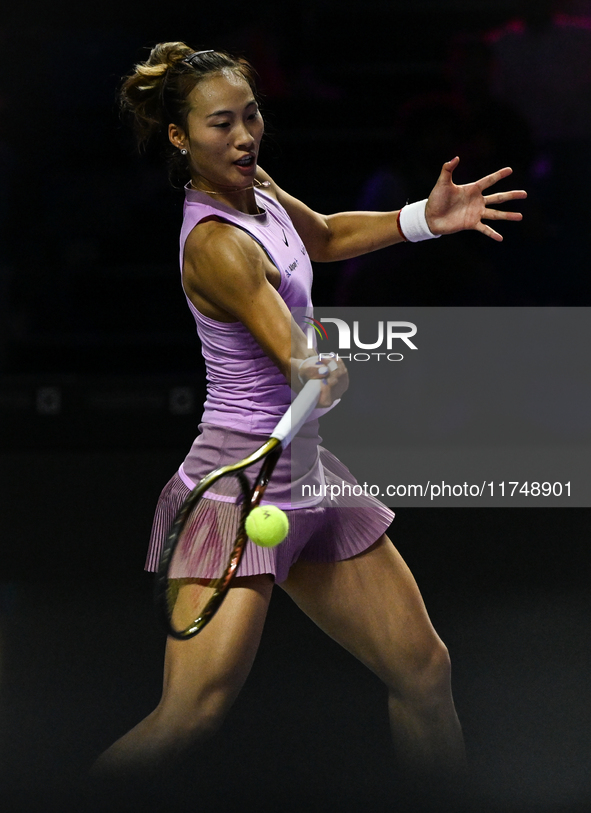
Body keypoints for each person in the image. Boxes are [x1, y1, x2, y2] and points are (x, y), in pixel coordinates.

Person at [92, 43, 525, 791]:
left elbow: (320, 236)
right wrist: (312, 369)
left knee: (423, 670)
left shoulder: (253, 187)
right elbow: (295, 356)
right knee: (188, 717)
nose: (243, 137)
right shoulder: (216, 244)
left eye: (250, 115)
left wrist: (425, 218)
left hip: (310, 476)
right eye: (220, 124)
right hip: (237, 490)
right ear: (178, 137)